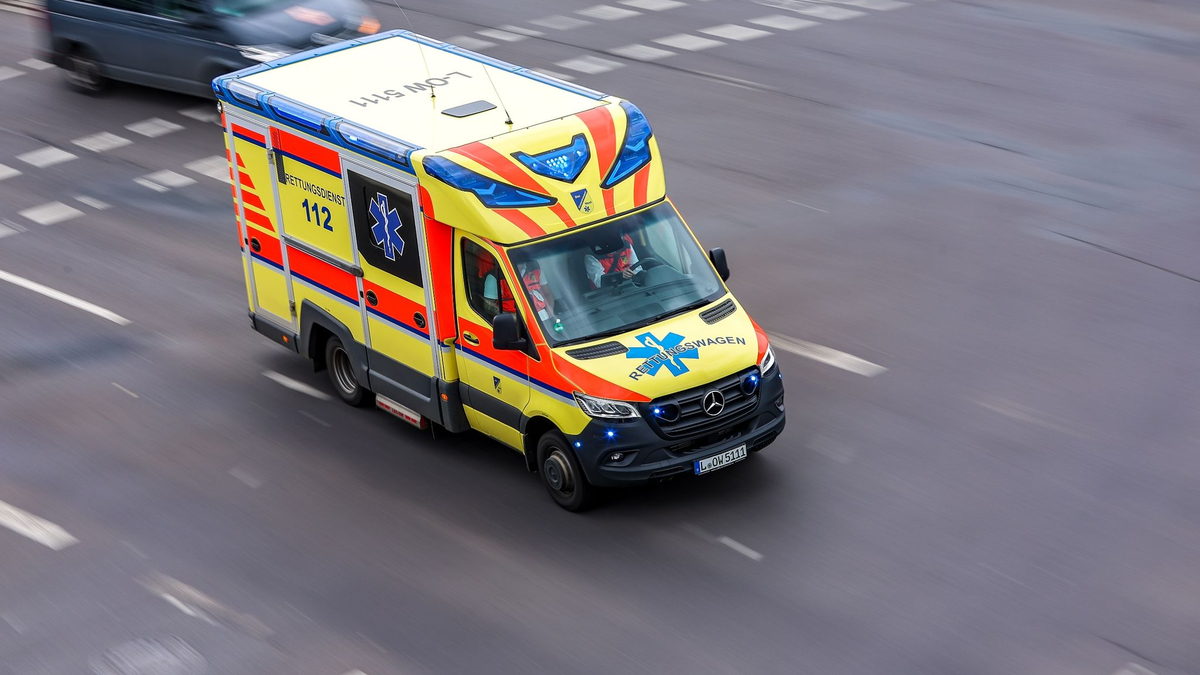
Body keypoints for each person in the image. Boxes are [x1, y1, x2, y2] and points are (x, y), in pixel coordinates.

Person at [482, 256, 555, 322]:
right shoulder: (494, 277)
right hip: (514, 322)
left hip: (542, 316)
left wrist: (550, 312)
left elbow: (547, 293)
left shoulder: (535, 268)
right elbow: (489, 308)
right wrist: (516, 318)